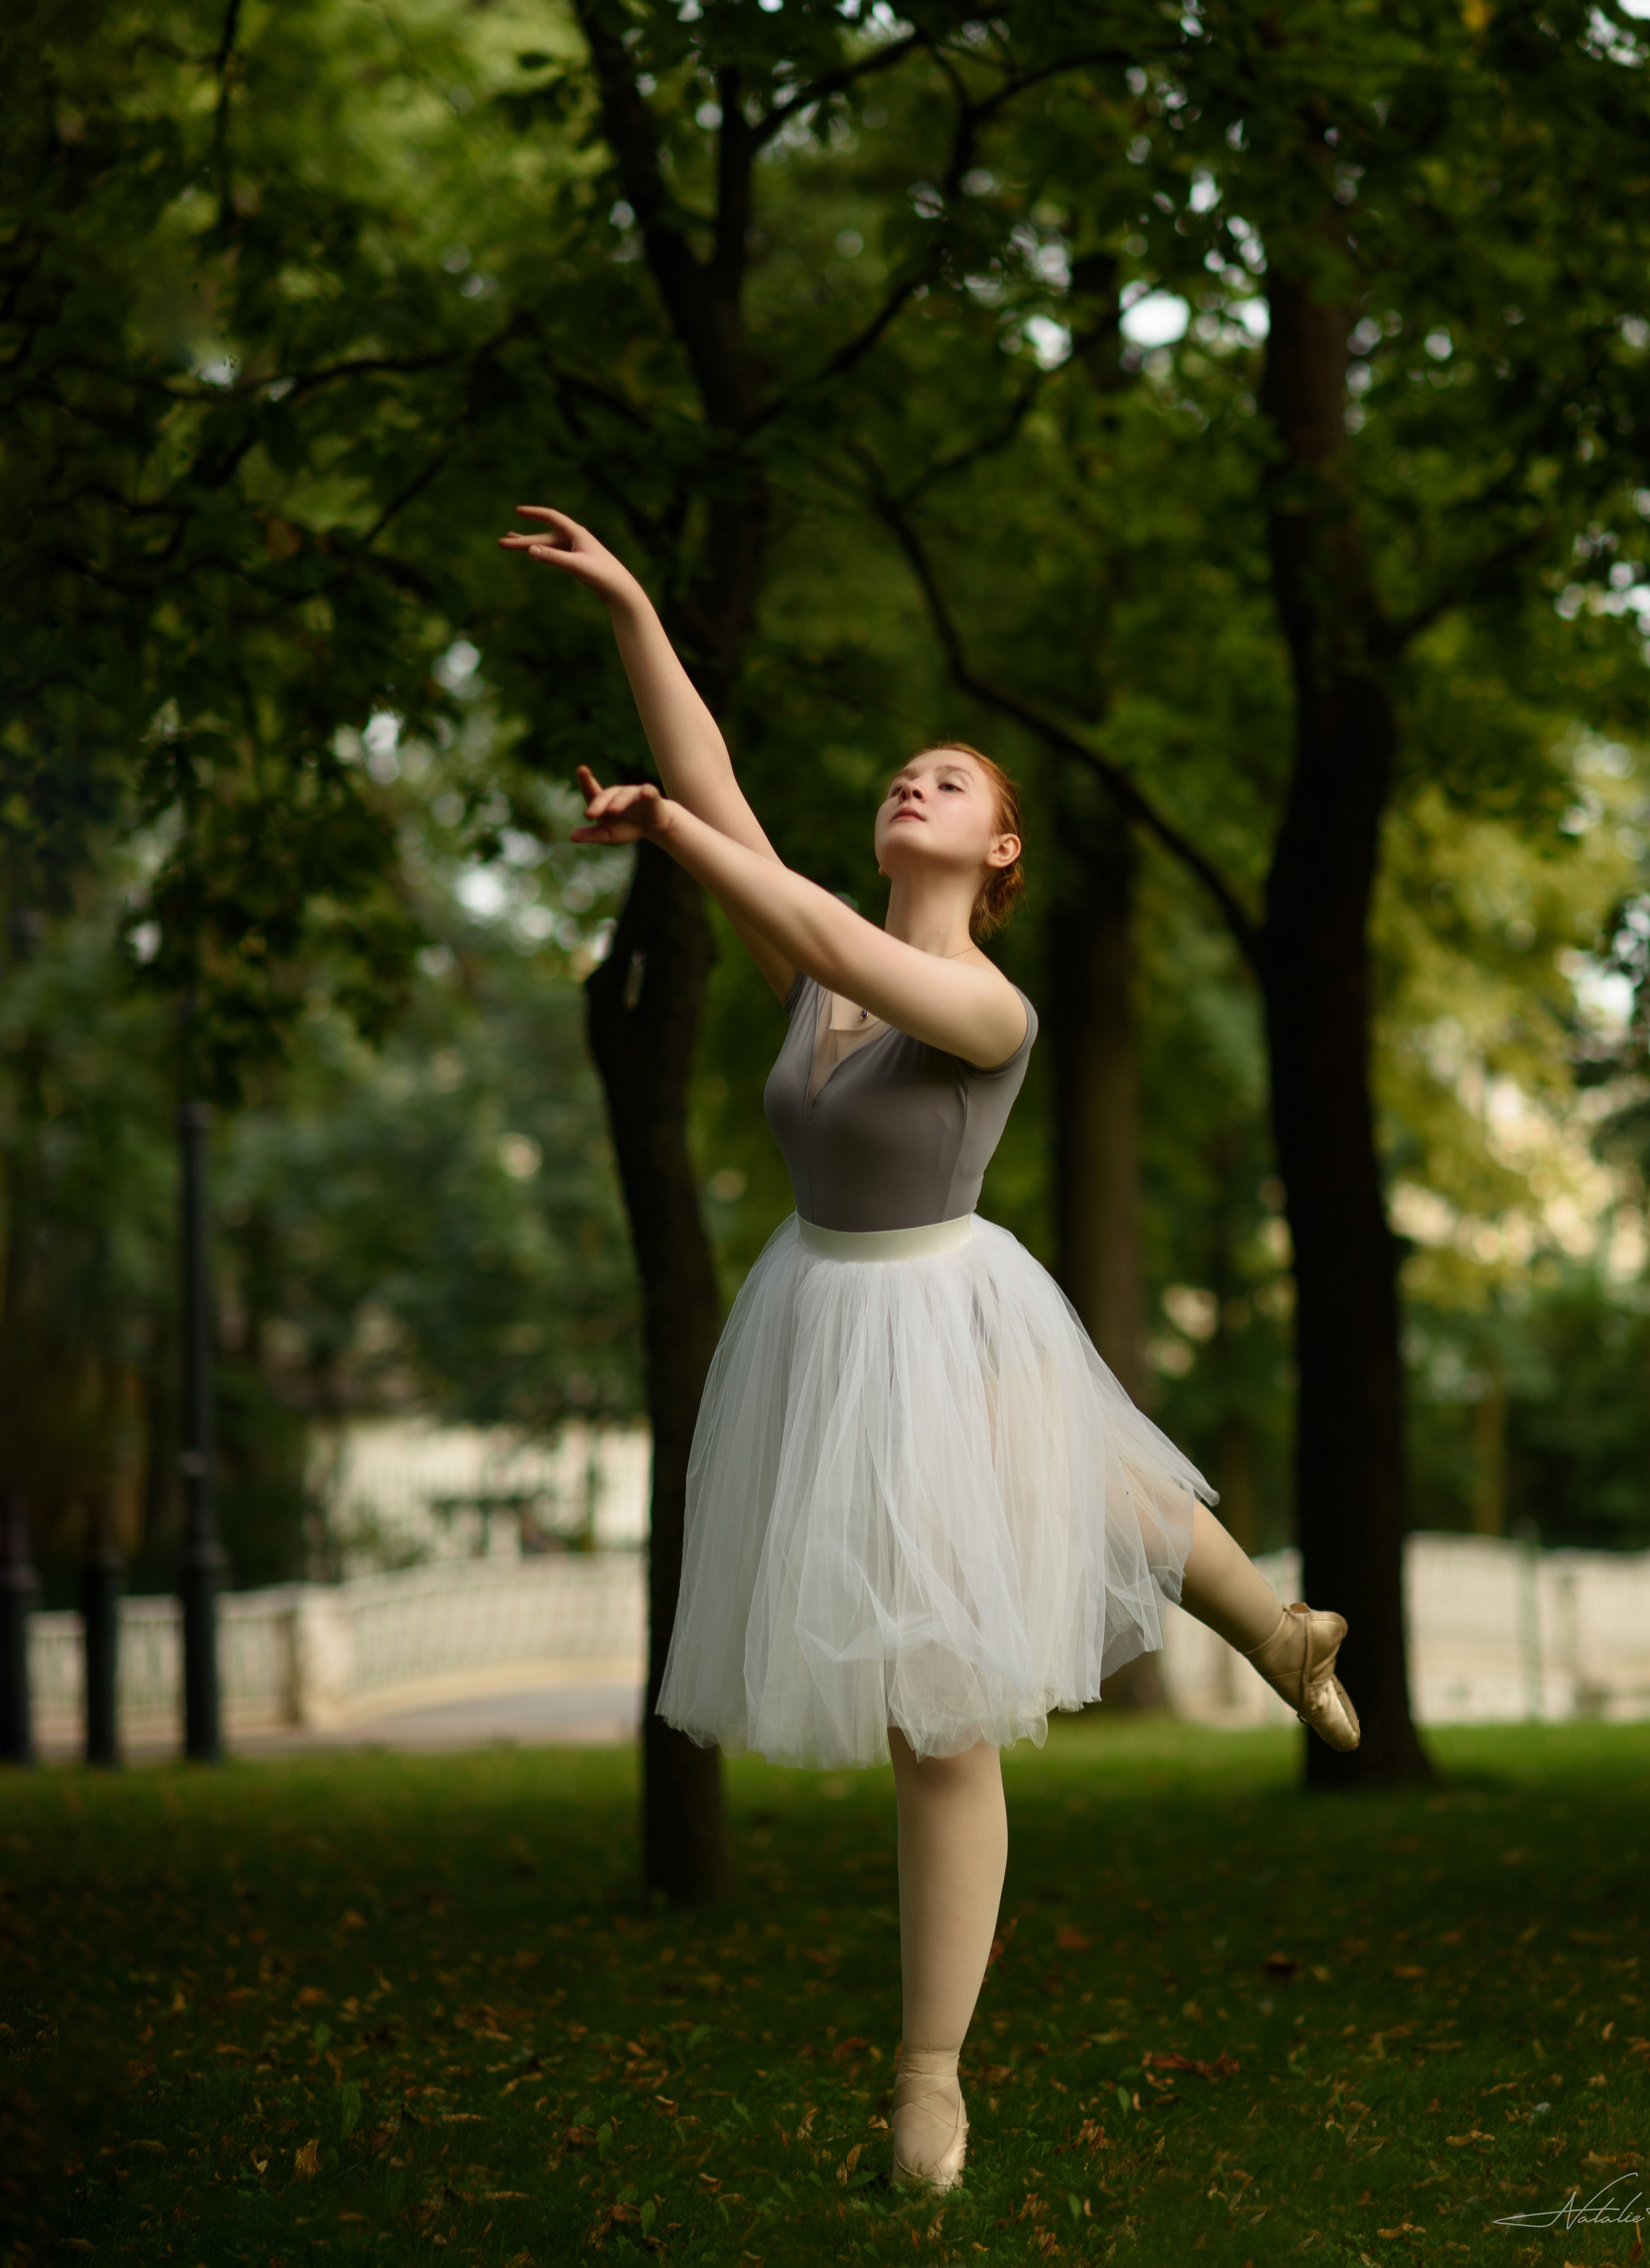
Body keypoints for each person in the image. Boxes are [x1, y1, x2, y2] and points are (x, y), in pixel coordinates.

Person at [499, 505, 1361, 2193]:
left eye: (952, 779)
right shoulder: (819, 979)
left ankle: (930, 2077)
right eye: (904, 770)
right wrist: (630, 613)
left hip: (937, 1299)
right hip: (826, 1323)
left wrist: (677, 835)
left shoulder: (986, 1008)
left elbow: (802, 911)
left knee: (956, 1695)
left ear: (1002, 854)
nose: (917, 783)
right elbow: (737, 805)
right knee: (1085, 1477)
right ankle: (1281, 1623)